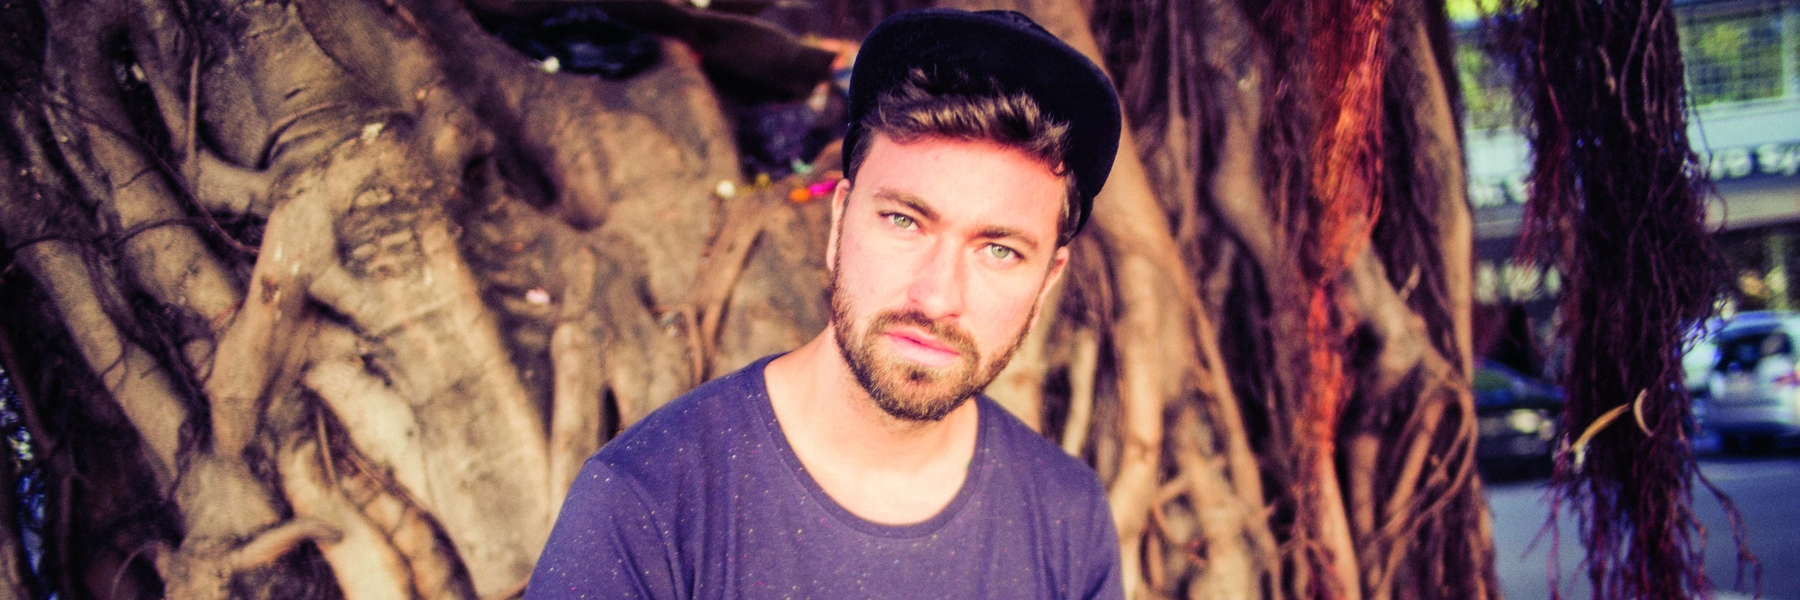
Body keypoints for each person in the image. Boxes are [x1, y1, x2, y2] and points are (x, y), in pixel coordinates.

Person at [526, 8, 1124, 598]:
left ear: (1047, 282)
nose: (937, 296)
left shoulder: (1070, 519)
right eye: (904, 220)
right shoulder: (643, 504)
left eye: (999, 251)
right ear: (840, 222)